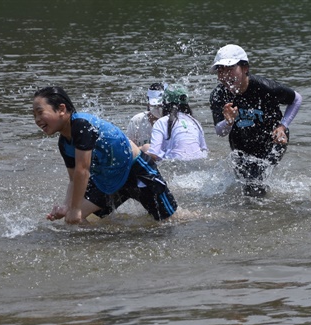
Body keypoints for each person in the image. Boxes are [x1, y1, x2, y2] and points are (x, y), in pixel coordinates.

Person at [32, 86, 177, 224]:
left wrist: (75, 208)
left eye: (40, 112)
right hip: (107, 180)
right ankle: (103, 246)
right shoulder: (64, 143)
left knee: (169, 221)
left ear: (61, 109)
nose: (37, 120)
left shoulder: (81, 125)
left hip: (136, 170)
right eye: (34, 115)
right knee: (74, 220)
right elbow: (73, 180)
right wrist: (67, 206)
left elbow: (83, 170)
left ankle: (197, 219)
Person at [209, 44, 302, 197]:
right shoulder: (219, 94)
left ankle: (260, 214)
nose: (225, 75)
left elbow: (297, 99)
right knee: (244, 183)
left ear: (245, 68)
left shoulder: (265, 87)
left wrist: (282, 126)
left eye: (230, 69)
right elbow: (220, 132)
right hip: (240, 143)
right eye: (220, 70)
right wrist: (229, 122)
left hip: (273, 140)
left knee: (255, 185)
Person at [146, 84, 208, 161]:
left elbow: (153, 154)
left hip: (174, 166)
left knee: (145, 147)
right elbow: (204, 151)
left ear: (165, 103)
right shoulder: (195, 122)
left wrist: (138, 153)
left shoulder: (161, 122)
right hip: (199, 164)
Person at [126, 83, 166, 150]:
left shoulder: (171, 122)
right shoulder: (137, 121)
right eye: (155, 105)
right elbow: (129, 149)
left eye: (161, 106)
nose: (159, 109)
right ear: (148, 104)